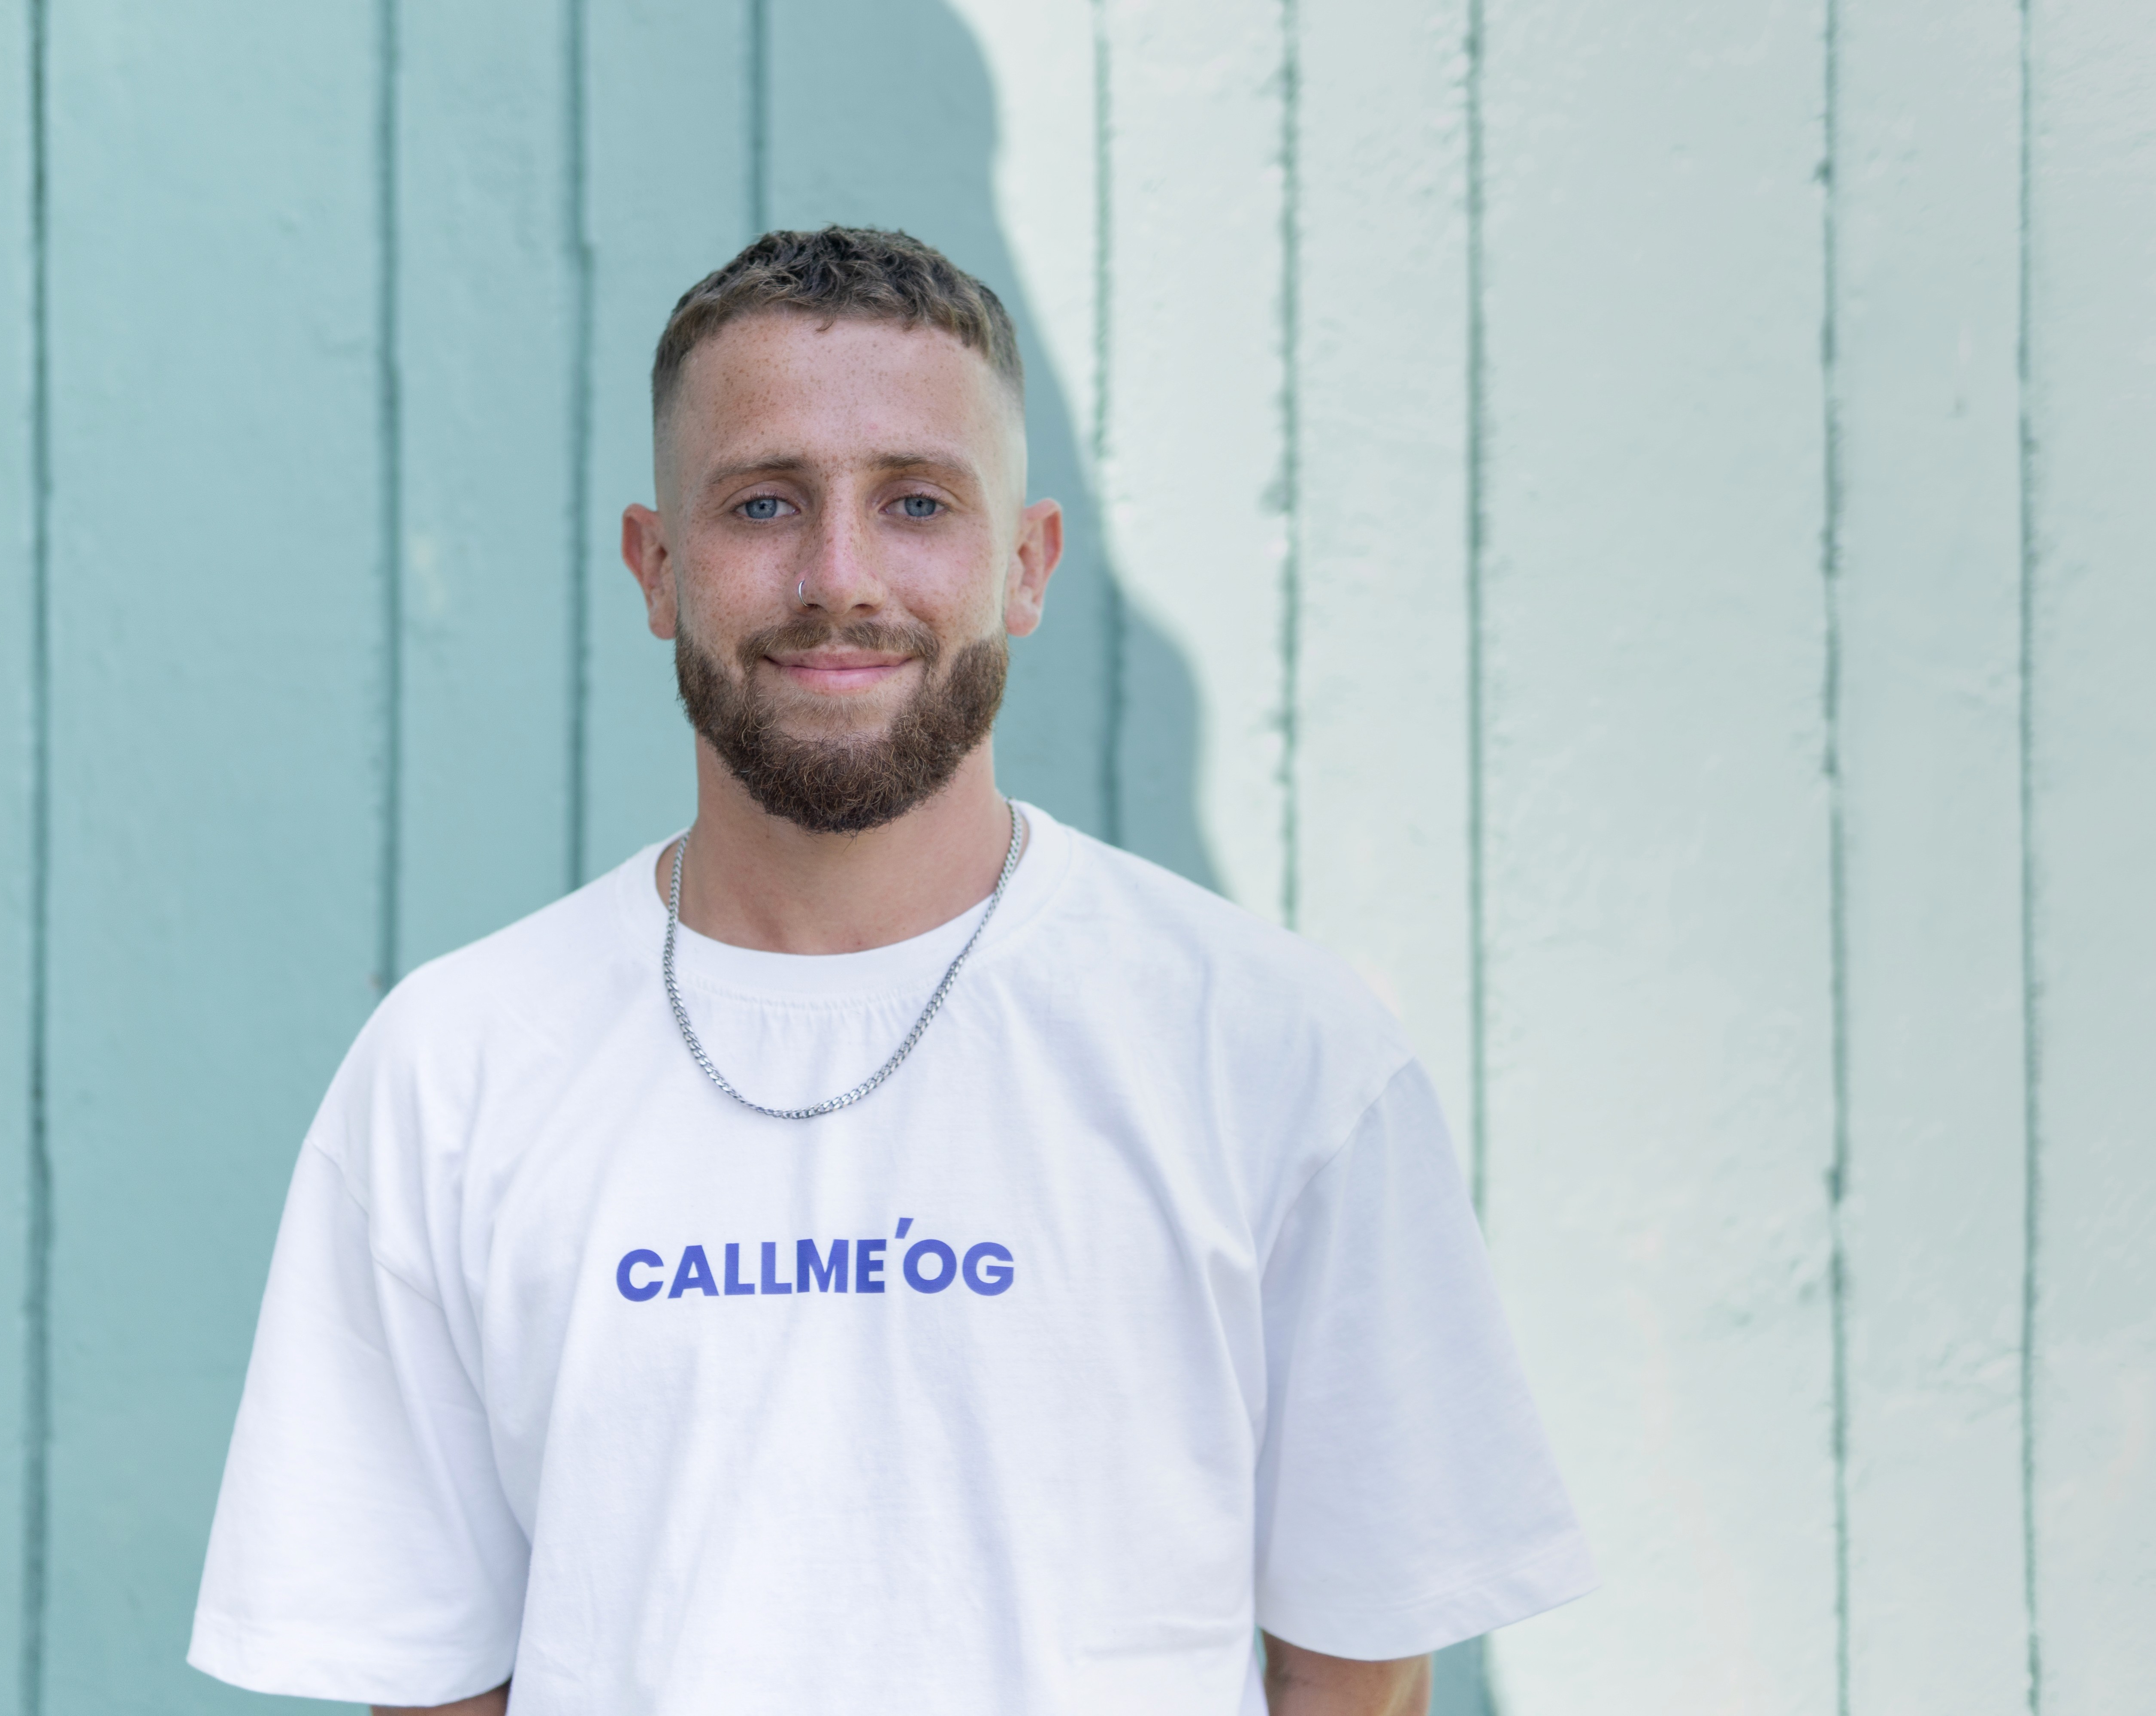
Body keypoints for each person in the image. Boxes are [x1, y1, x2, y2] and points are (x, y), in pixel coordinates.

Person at [187, 226, 1592, 1716]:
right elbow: (424, 1673)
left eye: (916, 501)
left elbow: (1359, 1663)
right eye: (763, 503)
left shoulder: (1272, 1051)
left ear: (1026, 566)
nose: (838, 576)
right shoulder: (457, 1070)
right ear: (657, 567)